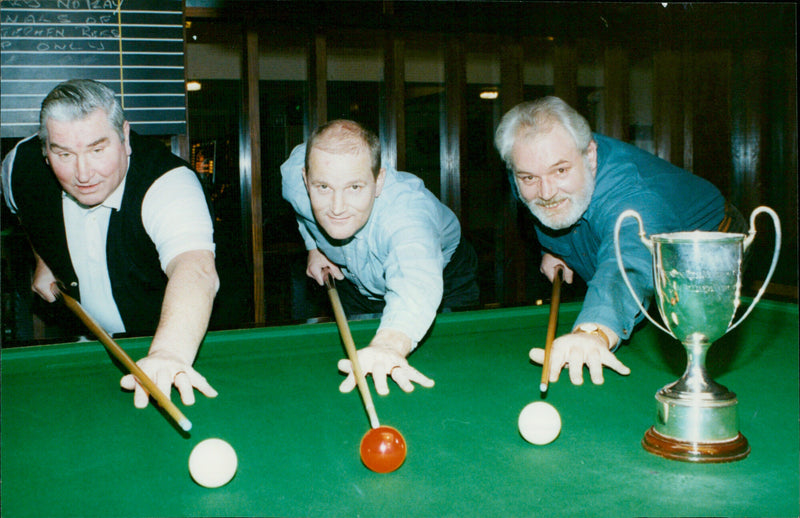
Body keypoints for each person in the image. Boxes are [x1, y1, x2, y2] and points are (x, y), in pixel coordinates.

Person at [494, 96, 747, 386]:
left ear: (590, 156)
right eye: (528, 178)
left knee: (691, 331)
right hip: (612, 235)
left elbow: (629, 260)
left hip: (708, 244)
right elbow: (543, 204)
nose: (546, 191)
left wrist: (594, 331)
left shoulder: (633, 197)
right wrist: (554, 247)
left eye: (560, 170)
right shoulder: (531, 170)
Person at [1, 79, 220, 409]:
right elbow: (22, 211)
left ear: (125, 137)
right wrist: (44, 256)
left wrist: (168, 353)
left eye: (97, 149)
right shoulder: (19, 167)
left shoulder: (169, 183)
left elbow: (196, 268)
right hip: (91, 345)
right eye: (64, 154)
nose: (83, 173)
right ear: (45, 152)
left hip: (182, 340)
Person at [281, 119, 479, 395]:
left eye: (354, 188)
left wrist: (389, 344)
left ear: (378, 181)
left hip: (445, 277)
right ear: (306, 180)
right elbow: (302, 209)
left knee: (456, 373)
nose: (337, 208)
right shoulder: (295, 180)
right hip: (353, 277)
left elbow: (416, 278)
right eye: (323, 188)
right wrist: (313, 245)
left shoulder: (407, 215)